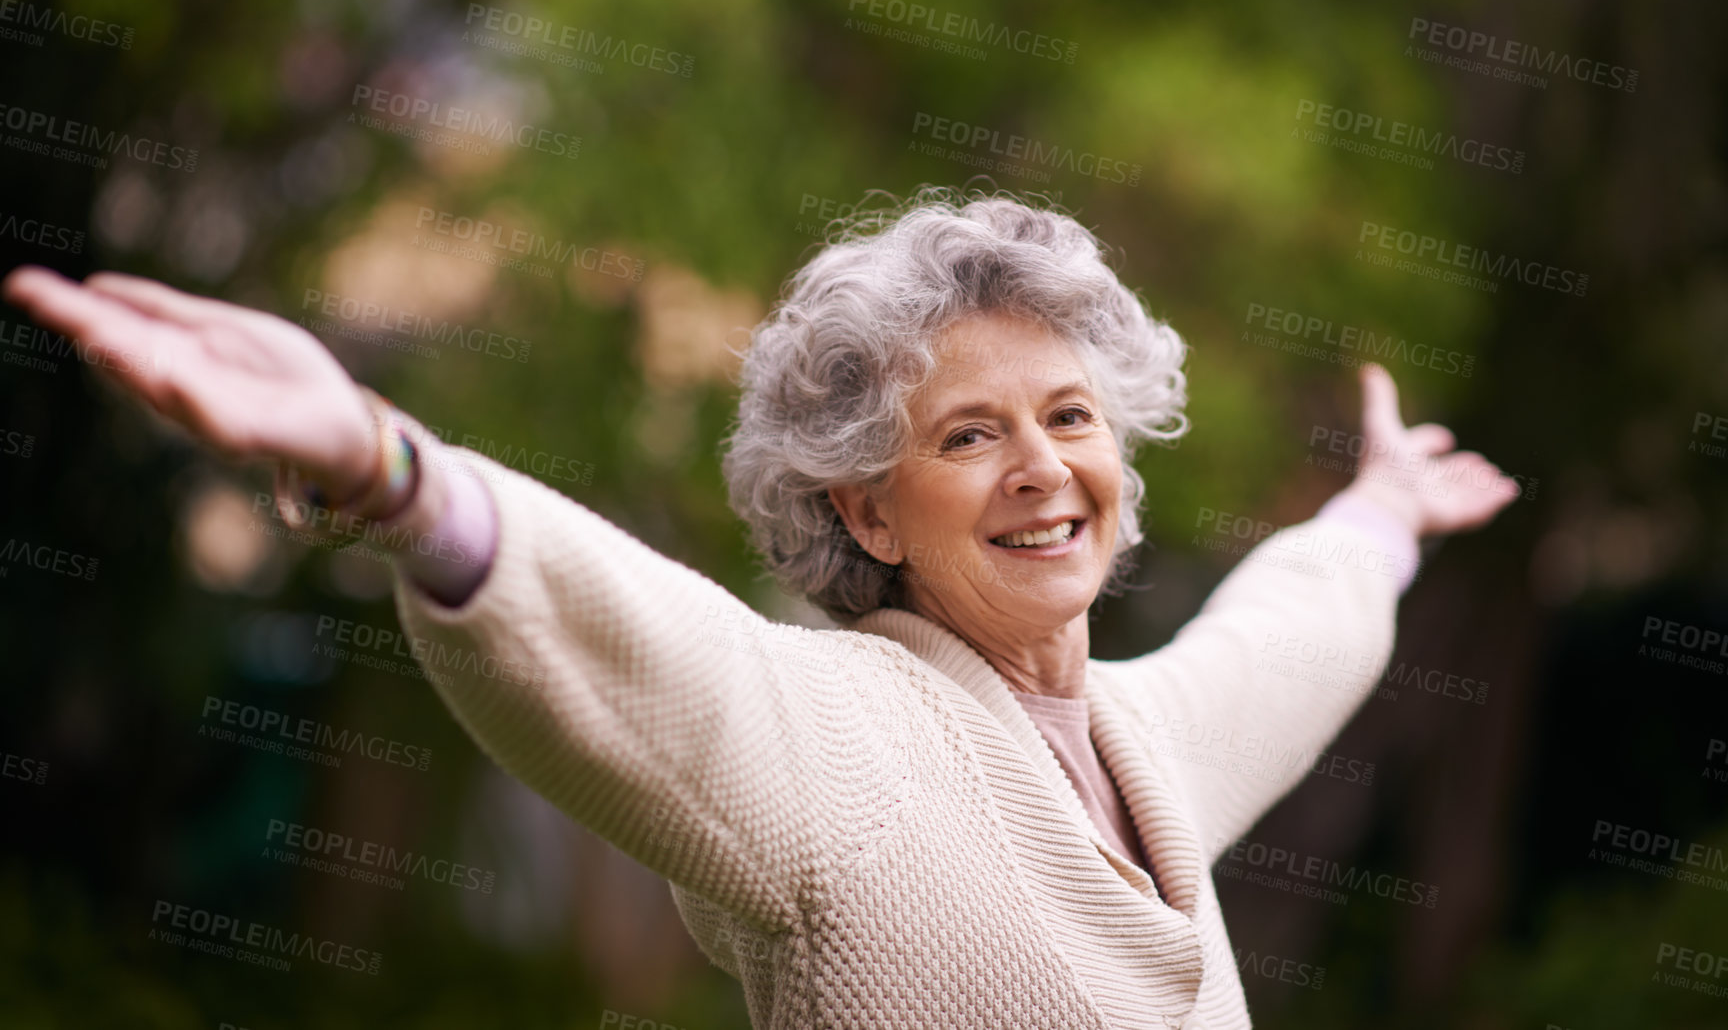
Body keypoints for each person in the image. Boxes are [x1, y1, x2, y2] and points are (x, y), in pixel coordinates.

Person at [1, 190, 1519, 1029]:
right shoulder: (832, 741)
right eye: (970, 434)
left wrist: (1382, 510)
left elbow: (1288, 637)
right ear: (866, 509)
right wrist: (394, 475)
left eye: (1072, 415)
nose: (1044, 466)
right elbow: (638, 650)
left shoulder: (1149, 739)